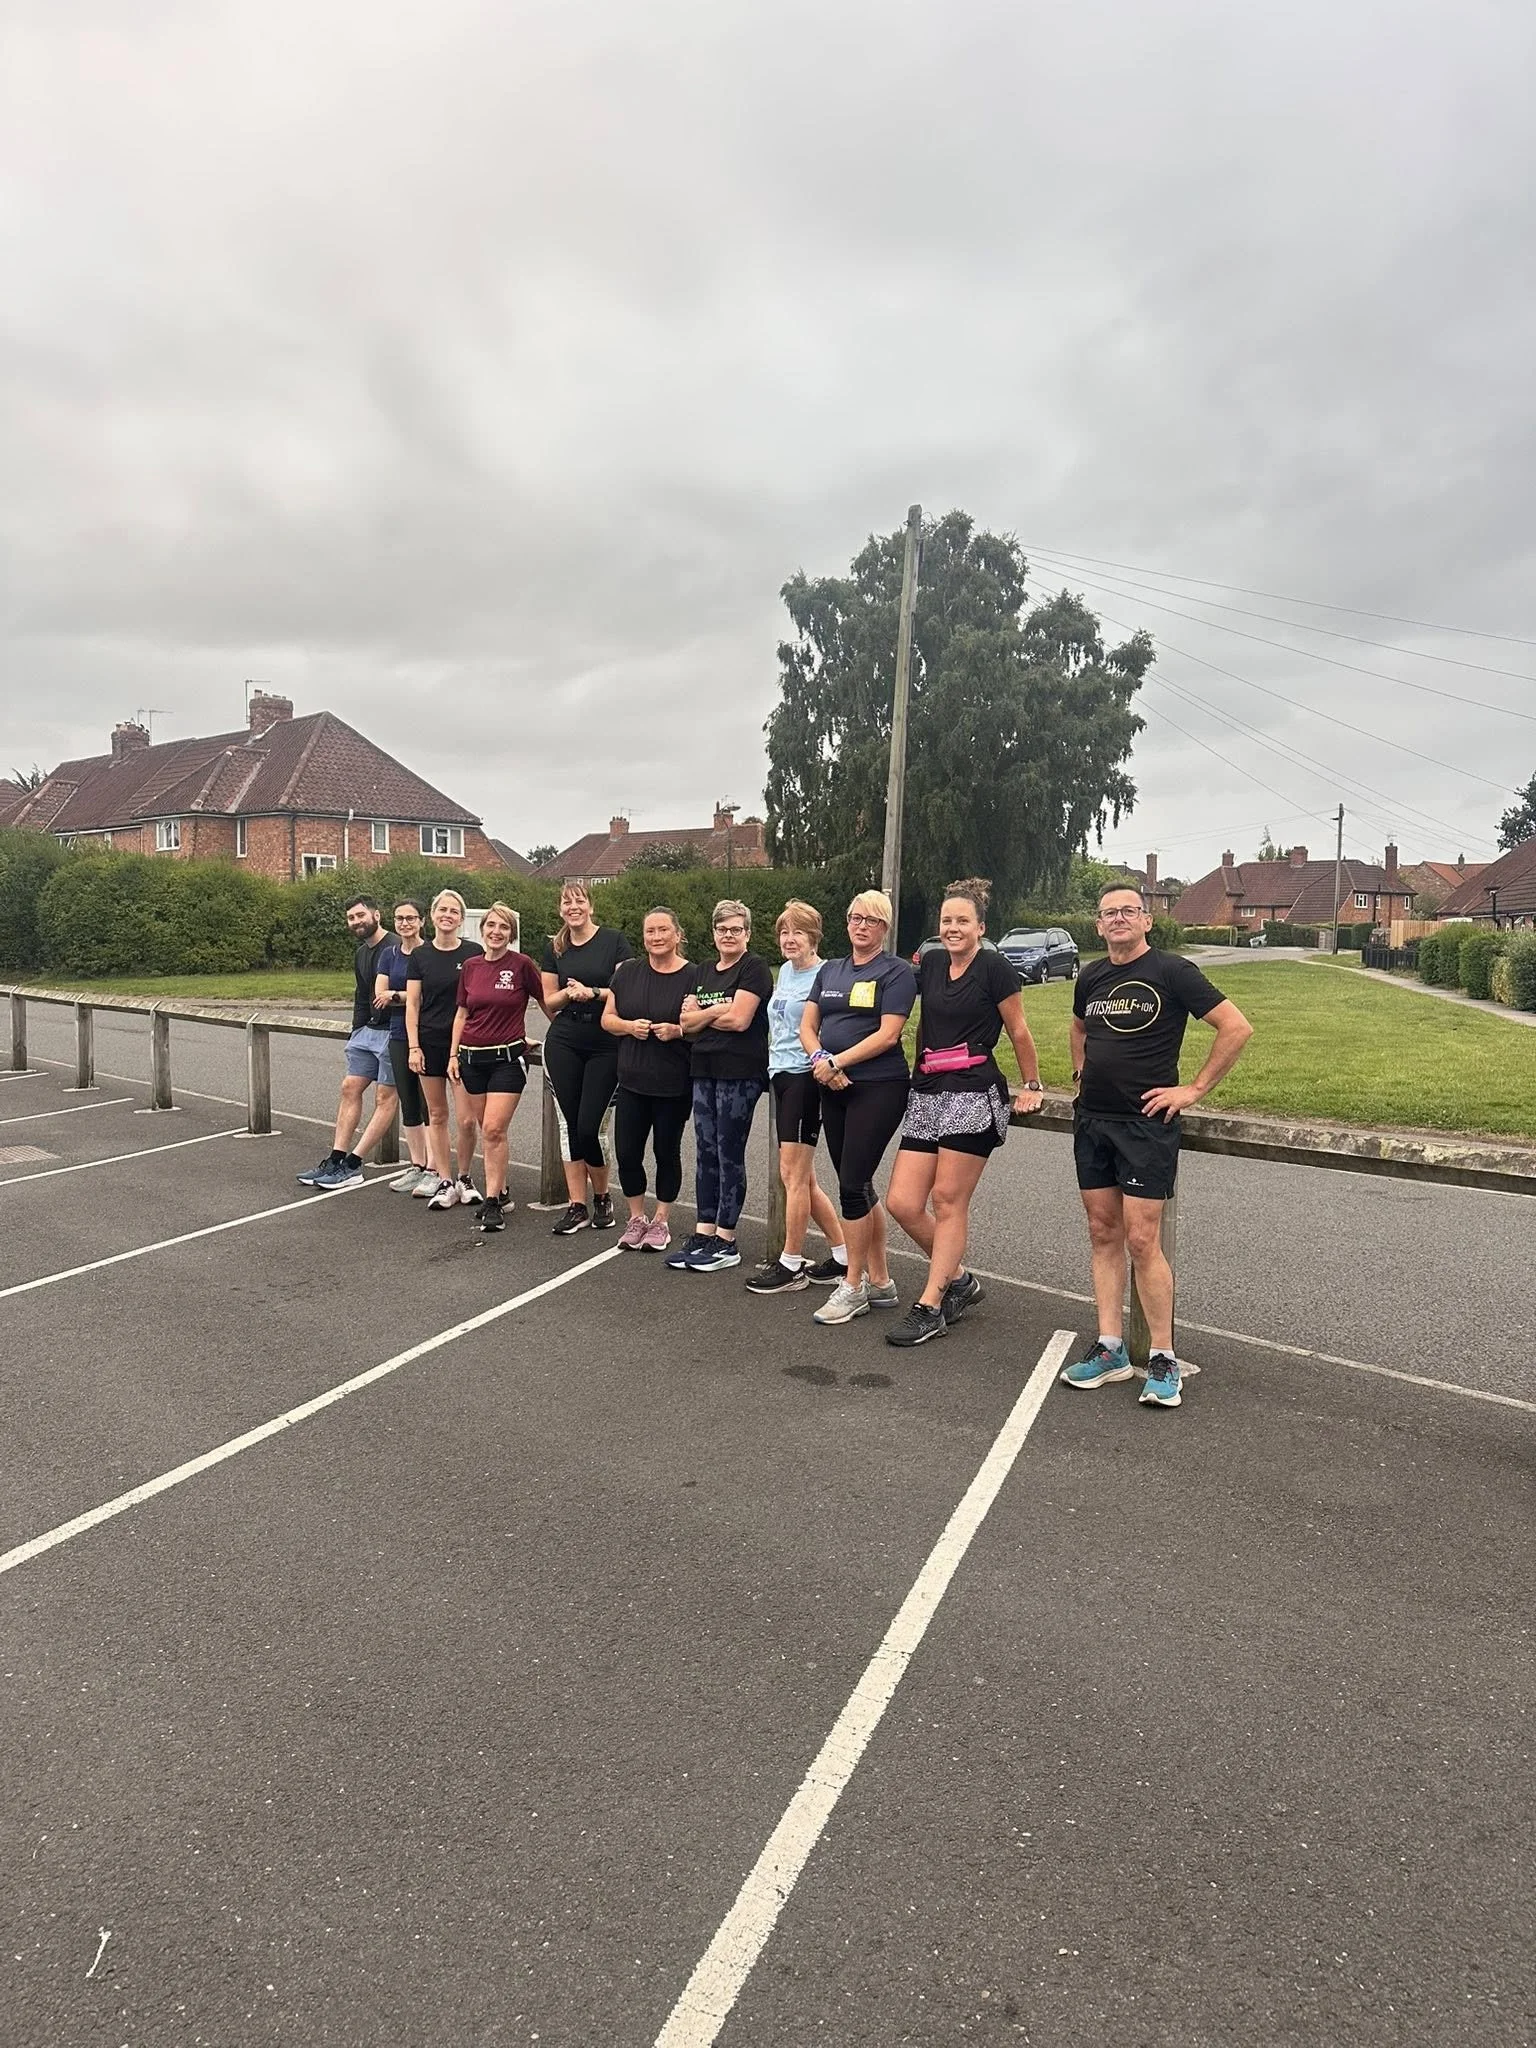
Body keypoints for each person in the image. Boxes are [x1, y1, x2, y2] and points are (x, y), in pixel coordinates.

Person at [1059, 883, 1252, 1409]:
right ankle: (1110, 1348)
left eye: (1128, 911)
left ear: (1147, 921)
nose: (1117, 919)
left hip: (1146, 1125)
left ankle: (1163, 1357)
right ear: (1098, 926)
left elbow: (1235, 1027)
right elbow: (1078, 1027)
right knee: (1102, 1231)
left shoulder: (1173, 972)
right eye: (1108, 913)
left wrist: (1193, 1089)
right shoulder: (1093, 975)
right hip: (1093, 1120)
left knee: (1143, 1240)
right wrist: (1080, 1072)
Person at [884, 878, 1045, 1346]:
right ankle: (958, 1279)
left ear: (981, 927)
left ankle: (931, 1304)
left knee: (948, 1200)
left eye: (962, 922)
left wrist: (1032, 1085)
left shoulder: (995, 968)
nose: (952, 929)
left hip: (973, 1090)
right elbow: (904, 1009)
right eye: (946, 921)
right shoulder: (932, 962)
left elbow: (1018, 1030)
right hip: (930, 1089)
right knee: (902, 1202)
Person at [797, 890, 917, 1324]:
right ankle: (881, 1281)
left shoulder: (896, 972)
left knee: (850, 1184)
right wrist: (820, 1061)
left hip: (878, 1086)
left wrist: (838, 1062)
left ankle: (853, 1285)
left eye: (870, 920)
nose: (860, 926)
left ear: (884, 928)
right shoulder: (831, 969)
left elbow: (888, 1035)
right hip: (832, 1084)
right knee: (860, 1186)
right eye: (854, 918)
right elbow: (808, 1024)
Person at [744, 900, 848, 1294]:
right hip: (780, 1074)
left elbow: (833, 1028)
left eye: (797, 933)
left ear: (813, 937)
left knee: (792, 1176)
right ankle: (842, 1256)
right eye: (784, 932)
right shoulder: (785, 971)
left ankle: (791, 1265)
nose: (789, 940)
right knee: (802, 1177)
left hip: (806, 1078)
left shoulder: (827, 974)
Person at [665, 898, 774, 1273]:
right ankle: (704, 1231)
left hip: (739, 1072)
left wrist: (705, 1013)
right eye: (722, 929)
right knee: (705, 1152)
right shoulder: (703, 971)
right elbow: (685, 1024)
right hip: (703, 1068)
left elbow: (741, 1020)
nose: (729, 935)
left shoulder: (754, 968)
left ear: (747, 933)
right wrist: (716, 1010)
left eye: (736, 929)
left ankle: (726, 1239)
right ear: (713, 934)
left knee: (730, 1153)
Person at [449, 901, 549, 1234]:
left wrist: (563, 1036)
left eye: (503, 927)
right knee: (485, 1127)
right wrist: (453, 1055)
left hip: (507, 1060)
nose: (496, 932)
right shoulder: (471, 967)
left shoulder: (521, 965)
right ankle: (501, 1189)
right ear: (482, 930)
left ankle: (492, 1202)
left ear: (511, 933)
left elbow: (546, 1002)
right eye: (491, 925)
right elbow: (462, 1014)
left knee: (493, 1129)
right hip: (471, 1059)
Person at [540, 883, 632, 1234]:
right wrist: (567, 993)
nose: (573, 906)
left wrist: (591, 992)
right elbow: (548, 1001)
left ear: (590, 906)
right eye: (566, 902)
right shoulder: (555, 947)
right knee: (570, 1126)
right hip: (565, 1041)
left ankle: (602, 1197)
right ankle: (577, 1205)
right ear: (561, 909)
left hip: (604, 1041)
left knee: (589, 1126)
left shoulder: (613, 940)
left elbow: (625, 989)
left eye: (579, 901)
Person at [602, 907, 693, 1253]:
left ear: (677, 935)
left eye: (663, 931)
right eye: (650, 932)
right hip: (632, 1080)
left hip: (672, 1082)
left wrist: (679, 1030)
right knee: (627, 1152)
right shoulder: (627, 973)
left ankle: (661, 1221)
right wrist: (628, 1027)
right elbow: (607, 1019)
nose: (656, 937)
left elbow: (699, 1023)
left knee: (666, 1152)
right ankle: (636, 1217)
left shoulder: (693, 975)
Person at [297, 895, 400, 1189]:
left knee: (385, 1098)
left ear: (376, 915)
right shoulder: (361, 954)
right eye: (351, 918)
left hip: (393, 1032)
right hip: (366, 1032)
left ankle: (354, 1165)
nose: (356, 921)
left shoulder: (394, 947)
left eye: (360, 915)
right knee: (349, 1087)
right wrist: (358, 1029)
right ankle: (336, 1158)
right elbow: (361, 994)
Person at [405, 888, 484, 1210]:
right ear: (433, 916)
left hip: (466, 1045)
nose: (447, 915)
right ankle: (445, 1179)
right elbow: (412, 1004)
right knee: (437, 1115)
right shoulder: (420, 955)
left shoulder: (473, 953)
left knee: (466, 1120)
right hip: (429, 1043)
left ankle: (465, 1177)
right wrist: (413, 1046)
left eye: (454, 911)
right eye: (442, 910)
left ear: (462, 919)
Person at [374, 899, 432, 1193]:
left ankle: (435, 1167)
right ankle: (418, 1165)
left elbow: (424, 997)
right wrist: (402, 995)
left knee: (430, 1104)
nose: (405, 923)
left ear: (422, 921)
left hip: (428, 1032)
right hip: (398, 1033)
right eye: (400, 918)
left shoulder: (429, 953)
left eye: (411, 918)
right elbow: (379, 994)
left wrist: (397, 996)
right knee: (408, 1100)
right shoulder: (389, 954)